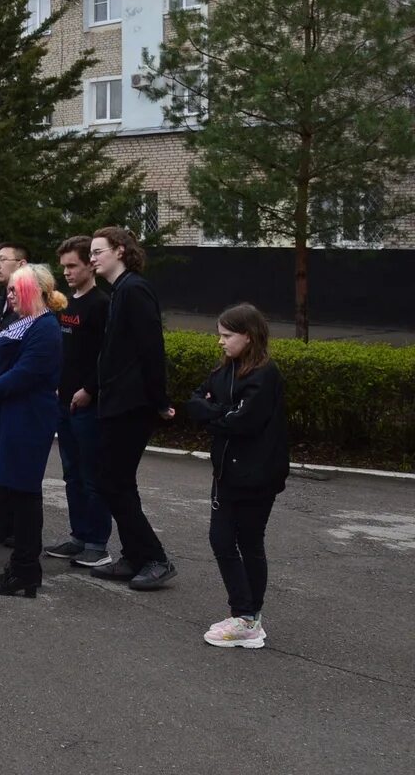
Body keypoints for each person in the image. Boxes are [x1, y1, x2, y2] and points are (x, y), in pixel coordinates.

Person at [184, 303, 288, 649]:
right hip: (226, 472)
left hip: (257, 475)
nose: (221, 342)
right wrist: (219, 412)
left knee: (248, 542)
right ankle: (245, 615)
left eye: (227, 336)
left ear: (248, 336)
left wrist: (214, 414)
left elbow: (244, 422)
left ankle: (247, 618)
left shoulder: (264, 374)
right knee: (221, 539)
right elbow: (195, 401)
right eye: (220, 335)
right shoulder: (224, 370)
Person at [89, 226, 178, 591]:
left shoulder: (135, 290)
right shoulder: (121, 291)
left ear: (121, 250)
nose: (92, 257)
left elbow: (150, 349)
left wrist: (159, 400)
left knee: (113, 481)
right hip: (117, 402)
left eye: (98, 251)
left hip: (132, 405)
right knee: (116, 482)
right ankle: (134, 555)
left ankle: (156, 558)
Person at [0, 264, 67, 597]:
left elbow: (26, 373)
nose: (9, 294)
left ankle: (27, 568)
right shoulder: (22, 322)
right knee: (11, 488)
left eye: (16, 289)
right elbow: (3, 367)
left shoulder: (45, 328)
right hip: (10, 412)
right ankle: (22, 565)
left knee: (25, 492)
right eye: (10, 289)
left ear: (37, 291)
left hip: (29, 416)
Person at [45, 236, 113, 568]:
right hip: (62, 402)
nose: (67, 273)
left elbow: (107, 356)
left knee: (92, 474)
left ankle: (98, 543)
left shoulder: (102, 304)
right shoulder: (65, 304)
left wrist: (89, 389)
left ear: (90, 265)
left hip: (88, 404)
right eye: (64, 267)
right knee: (71, 473)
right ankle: (79, 536)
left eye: (73, 266)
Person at [0, 241, 30, 547]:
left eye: (4, 260)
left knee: (16, 466)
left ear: (22, 264)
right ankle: (3, 521)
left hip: (16, 399)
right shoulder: (0, 302)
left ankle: (17, 526)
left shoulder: (32, 315)